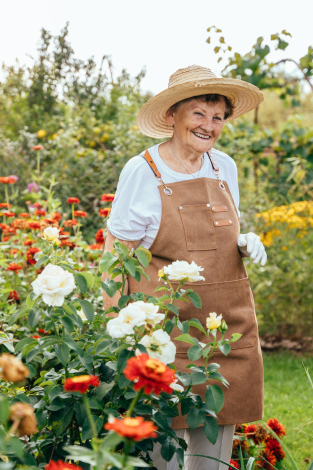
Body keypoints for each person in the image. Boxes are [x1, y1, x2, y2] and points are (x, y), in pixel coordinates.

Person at [104, 65, 268, 470]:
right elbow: (115, 258)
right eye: (198, 113)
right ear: (171, 116)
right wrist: (112, 328)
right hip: (165, 330)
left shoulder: (223, 167)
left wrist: (244, 242)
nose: (209, 126)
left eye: (218, 117)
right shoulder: (143, 171)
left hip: (223, 331)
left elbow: (220, 236)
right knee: (164, 449)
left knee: (215, 442)